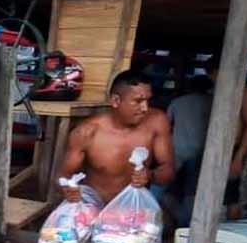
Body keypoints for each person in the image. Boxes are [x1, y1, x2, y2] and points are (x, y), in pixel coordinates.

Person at [59, 70, 175, 204]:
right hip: (93, 210)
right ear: (115, 101)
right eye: (138, 101)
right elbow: (62, 176)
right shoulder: (87, 133)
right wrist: (68, 188)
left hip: (133, 211)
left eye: (148, 100)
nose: (145, 108)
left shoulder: (157, 122)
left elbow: (169, 171)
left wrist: (150, 175)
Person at [159, 74, 214, 226]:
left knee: (167, 185)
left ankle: (164, 216)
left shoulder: (178, 102)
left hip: (178, 149)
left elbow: (166, 124)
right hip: (201, 150)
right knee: (192, 189)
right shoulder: (212, 103)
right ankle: (186, 223)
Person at [206, 56, 247, 220]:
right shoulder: (218, 91)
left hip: (233, 150)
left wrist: (239, 157)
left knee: (231, 196)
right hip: (216, 148)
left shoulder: (243, 90)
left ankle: (232, 233)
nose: (213, 78)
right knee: (217, 192)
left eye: (214, 74)